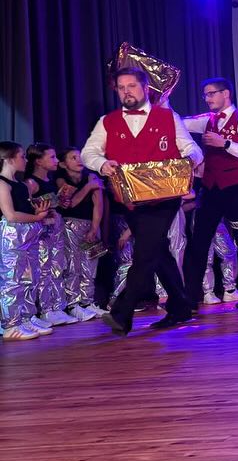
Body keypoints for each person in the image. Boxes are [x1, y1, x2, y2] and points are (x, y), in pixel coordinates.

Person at [82, 67, 204, 334]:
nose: (126, 91)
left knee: (145, 253)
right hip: (129, 200)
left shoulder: (168, 117)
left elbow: (192, 148)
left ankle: (121, 312)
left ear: (145, 88)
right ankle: (181, 306)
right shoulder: (108, 121)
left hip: (165, 197)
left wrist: (188, 162)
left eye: (131, 86)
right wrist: (102, 164)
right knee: (157, 251)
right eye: (121, 87)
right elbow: (88, 153)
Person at [182, 77, 238, 309]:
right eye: (205, 94)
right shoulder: (207, 120)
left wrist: (226, 144)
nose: (207, 98)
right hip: (211, 189)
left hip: (236, 188)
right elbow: (179, 124)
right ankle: (191, 298)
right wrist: (162, 103)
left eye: (211, 93)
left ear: (226, 94)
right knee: (199, 242)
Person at [1, 142, 55, 341]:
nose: (25, 160)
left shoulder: (21, 185)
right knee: (12, 280)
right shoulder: (2, 184)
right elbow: (10, 215)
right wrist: (37, 217)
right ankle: (10, 325)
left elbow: (25, 210)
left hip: (27, 236)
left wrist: (40, 213)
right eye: (21, 156)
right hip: (11, 236)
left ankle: (25, 317)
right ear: (8, 159)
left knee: (28, 278)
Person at [25, 143, 75, 328]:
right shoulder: (31, 183)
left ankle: (56, 306)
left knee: (57, 268)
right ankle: (45, 309)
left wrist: (61, 202)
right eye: (51, 157)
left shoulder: (50, 181)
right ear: (38, 161)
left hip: (55, 230)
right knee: (44, 269)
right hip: (42, 233)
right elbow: (27, 207)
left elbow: (52, 205)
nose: (56, 161)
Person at [55, 146, 106, 321]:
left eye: (80, 156)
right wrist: (88, 187)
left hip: (91, 224)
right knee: (73, 265)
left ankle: (87, 301)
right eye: (73, 157)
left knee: (91, 265)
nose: (79, 160)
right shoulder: (61, 180)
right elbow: (71, 203)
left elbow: (98, 204)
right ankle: (73, 304)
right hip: (70, 224)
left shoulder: (91, 177)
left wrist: (94, 228)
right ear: (63, 164)